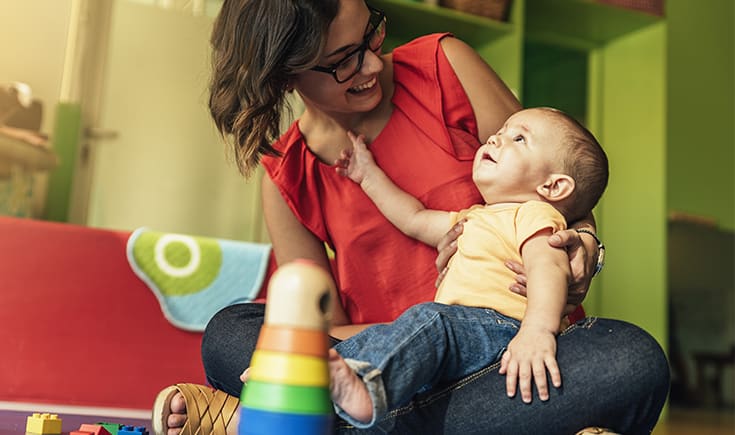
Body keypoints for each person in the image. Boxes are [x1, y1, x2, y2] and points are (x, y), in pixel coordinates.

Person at [152, 1, 670, 434]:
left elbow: (558, 179)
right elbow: (320, 329)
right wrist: (417, 341)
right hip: (379, 362)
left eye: (371, 36)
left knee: (631, 361)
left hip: (511, 355)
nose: (373, 65)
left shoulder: (446, 66)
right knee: (230, 331)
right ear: (284, 77)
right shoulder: (288, 175)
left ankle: (280, 423)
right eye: (344, 60)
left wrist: (585, 247)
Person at [326, 106, 608, 429]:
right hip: (464, 338)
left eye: (518, 138)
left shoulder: (535, 216)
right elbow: (413, 219)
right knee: (391, 334)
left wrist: (537, 330)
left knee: (429, 321)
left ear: (553, 187)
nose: (496, 138)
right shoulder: (474, 217)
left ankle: (361, 387)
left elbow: (549, 268)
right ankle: (311, 374)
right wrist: (367, 175)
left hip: (506, 332)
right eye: (501, 130)